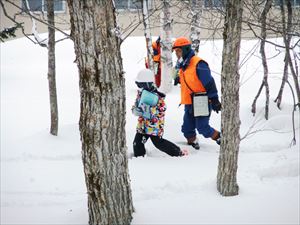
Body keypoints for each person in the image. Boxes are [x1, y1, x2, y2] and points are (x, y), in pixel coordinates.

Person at [172, 37, 221, 149]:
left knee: (203, 127)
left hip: (201, 100)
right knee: (187, 129)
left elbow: (209, 82)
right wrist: (179, 78)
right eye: (175, 52)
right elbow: (191, 79)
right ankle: (193, 144)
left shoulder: (198, 63)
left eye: (179, 51)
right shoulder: (182, 64)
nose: (177, 54)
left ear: (185, 49)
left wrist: (214, 99)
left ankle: (220, 137)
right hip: (189, 101)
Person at [132, 68, 188, 157]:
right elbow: (136, 104)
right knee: (137, 143)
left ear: (148, 84)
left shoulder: (156, 96)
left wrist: (149, 111)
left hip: (154, 126)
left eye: (141, 85)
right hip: (142, 125)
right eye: (138, 85)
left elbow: (162, 108)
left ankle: (178, 152)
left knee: (159, 143)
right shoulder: (141, 93)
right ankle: (139, 157)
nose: (140, 88)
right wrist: (135, 110)